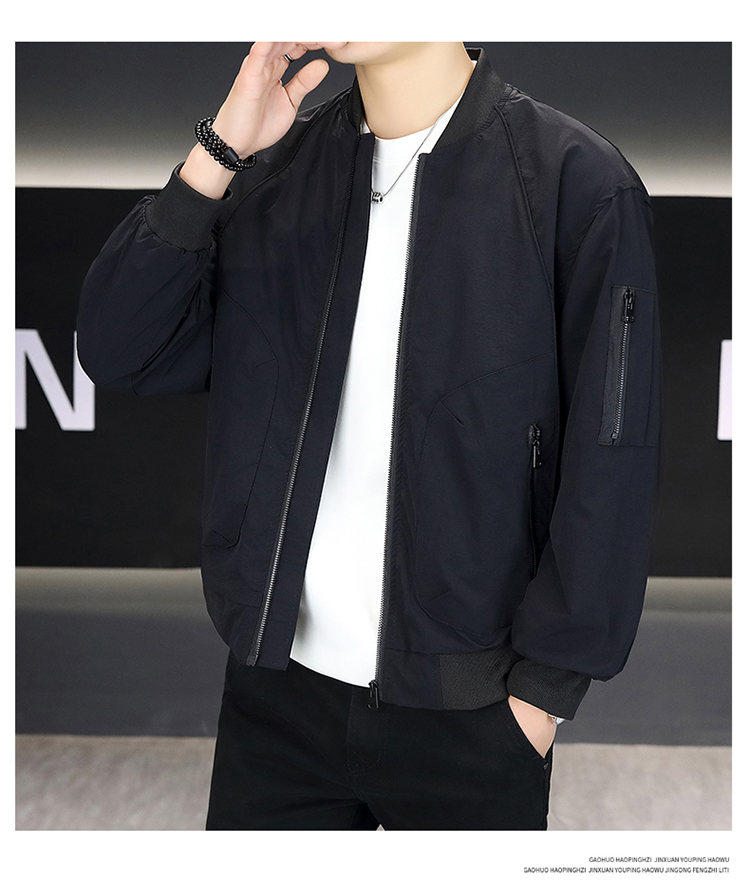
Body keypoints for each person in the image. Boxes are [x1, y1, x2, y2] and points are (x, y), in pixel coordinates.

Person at [76, 42, 662, 830]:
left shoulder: (575, 181)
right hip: (277, 697)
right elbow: (121, 347)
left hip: (474, 711)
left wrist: (543, 695)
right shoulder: (280, 171)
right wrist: (220, 151)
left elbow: (613, 455)